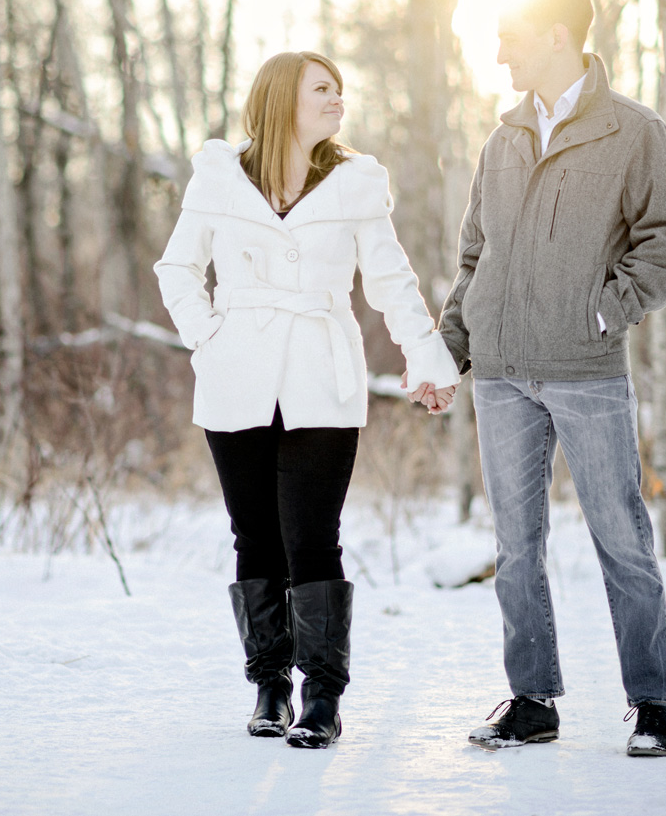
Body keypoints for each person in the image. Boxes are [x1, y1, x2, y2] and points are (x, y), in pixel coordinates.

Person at [155, 51, 459, 749]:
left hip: (323, 374)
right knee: (255, 534)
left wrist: (426, 355)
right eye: (323, 88)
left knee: (313, 538)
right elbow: (176, 268)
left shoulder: (357, 181)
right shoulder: (219, 177)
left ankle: (322, 695)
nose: (337, 99)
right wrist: (209, 337)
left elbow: (390, 281)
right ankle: (270, 686)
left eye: (340, 89)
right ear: (283, 97)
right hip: (237, 373)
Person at [438, 0, 666, 757]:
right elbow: (474, 256)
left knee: (621, 537)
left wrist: (603, 309)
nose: (499, 50)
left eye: (511, 35)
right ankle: (532, 698)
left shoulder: (633, 131)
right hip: (502, 374)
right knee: (516, 546)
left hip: (586, 369)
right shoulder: (502, 137)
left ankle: (652, 701)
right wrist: (451, 347)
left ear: (557, 35)